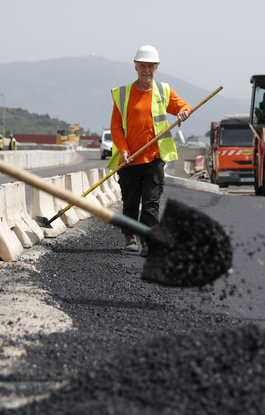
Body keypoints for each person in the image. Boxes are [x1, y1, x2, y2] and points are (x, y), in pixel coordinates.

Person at [107, 45, 191, 257]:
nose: (147, 70)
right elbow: (116, 127)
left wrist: (183, 113)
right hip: (129, 159)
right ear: (136, 66)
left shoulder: (163, 91)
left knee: (151, 202)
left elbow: (183, 107)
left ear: (156, 68)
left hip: (154, 157)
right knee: (131, 201)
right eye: (143, 66)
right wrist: (124, 151)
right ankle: (130, 236)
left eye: (151, 66)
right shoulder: (123, 94)